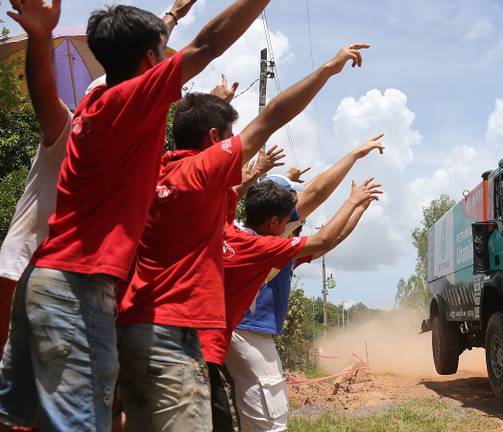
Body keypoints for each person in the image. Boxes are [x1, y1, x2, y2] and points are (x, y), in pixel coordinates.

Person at [116, 41, 370, 431]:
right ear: (212, 141)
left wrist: (211, 105)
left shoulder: (156, 175)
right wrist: (329, 69)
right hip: (182, 341)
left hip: (133, 331)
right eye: (227, 139)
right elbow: (272, 117)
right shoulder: (205, 182)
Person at [0, 0, 221, 430]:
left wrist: (44, 38)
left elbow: (134, 58)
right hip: (59, 278)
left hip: (41, 273)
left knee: (26, 413)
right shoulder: (102, 115)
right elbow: (176, 55)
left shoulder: (88, 114)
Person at [226, 135, 385, 431]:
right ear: (277, 220)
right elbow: (322, 220)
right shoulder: (263, 246)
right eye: (293, 208)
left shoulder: (254, 239)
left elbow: (327, 243)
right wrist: (352, 187)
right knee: (269, 420)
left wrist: (358, 209)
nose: (299, 214)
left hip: (245, 334)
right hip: (249, 333)